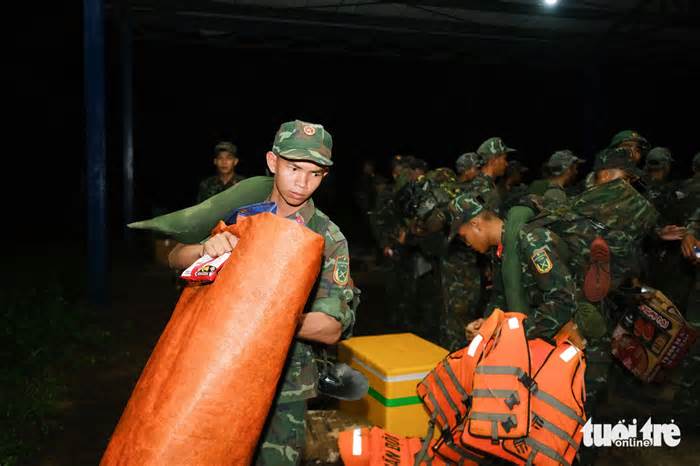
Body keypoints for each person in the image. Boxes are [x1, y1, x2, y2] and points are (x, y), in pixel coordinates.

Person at [169, 120, 356, 466]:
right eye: (294, 168)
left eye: (315, 173)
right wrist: (206, 249)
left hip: (283, 389)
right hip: (215, 369)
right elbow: (175, 256)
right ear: (273, 162)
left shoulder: (326, 237)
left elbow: (330, 327)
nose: (302, 182)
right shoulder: (239, 212)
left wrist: (267, 317)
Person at [472, 136, 515, 213]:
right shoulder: (483, 189)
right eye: (504, 159)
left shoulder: (486, 183)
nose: (506, 164)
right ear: (494, 160)